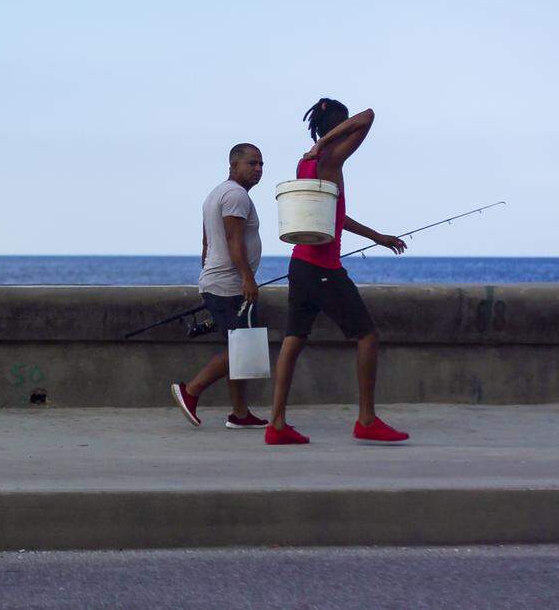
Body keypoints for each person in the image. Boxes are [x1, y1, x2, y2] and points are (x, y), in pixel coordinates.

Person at [265, 99, 410, 445]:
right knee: (367, 336)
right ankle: (366, 420)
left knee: (293, 339)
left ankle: (277, 425)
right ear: (338, 128)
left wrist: (376, 237)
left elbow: (331, 217)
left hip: (299, 265)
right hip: (323, 268)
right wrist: (328, 139)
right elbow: (369, 116)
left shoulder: (306, 163)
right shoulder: (329, 157)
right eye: (344, 128)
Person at [170, 143, 269, 430]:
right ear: (234, 165)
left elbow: (206, 242)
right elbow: (233, 239)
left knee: (239, 346)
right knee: (242, 347)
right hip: (230, 286)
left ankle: (240, 413)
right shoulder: (236, 195)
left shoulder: (216, 194)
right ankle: (191, 391)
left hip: (218, 282)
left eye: (261, 164)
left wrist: (210, 273)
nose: (258, 169)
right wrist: (247, 279)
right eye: (252, 163)